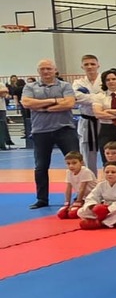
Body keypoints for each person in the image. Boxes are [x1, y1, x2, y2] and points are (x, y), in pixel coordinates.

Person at [24, 59, 79, 210]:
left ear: (55, 70)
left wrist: (42, 107)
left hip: (65, 129)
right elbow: (27, 103)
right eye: (43, 69)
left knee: (76, 163)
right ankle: (42, 199)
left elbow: (69, 103)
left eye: (49, 68)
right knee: (41, 166)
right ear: (38, 71)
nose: (46, 71)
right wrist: (55, 101)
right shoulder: (30, 87)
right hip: (40, 131)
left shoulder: (65, 86)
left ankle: (82, 195)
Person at [71, 55, 103, 171]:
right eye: (86, 64)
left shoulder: (105, 80)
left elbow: (108, 97)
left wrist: (86, 97)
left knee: (109, 152)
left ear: (98, 65)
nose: (89, 67)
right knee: (87, 155)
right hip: (86, 120)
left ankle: (111, 180)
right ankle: (90, 180)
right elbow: (76, 97)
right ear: (82, 67)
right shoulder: (78, 82)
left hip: (104, 120)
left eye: (92, 64)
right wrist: (99, 97)